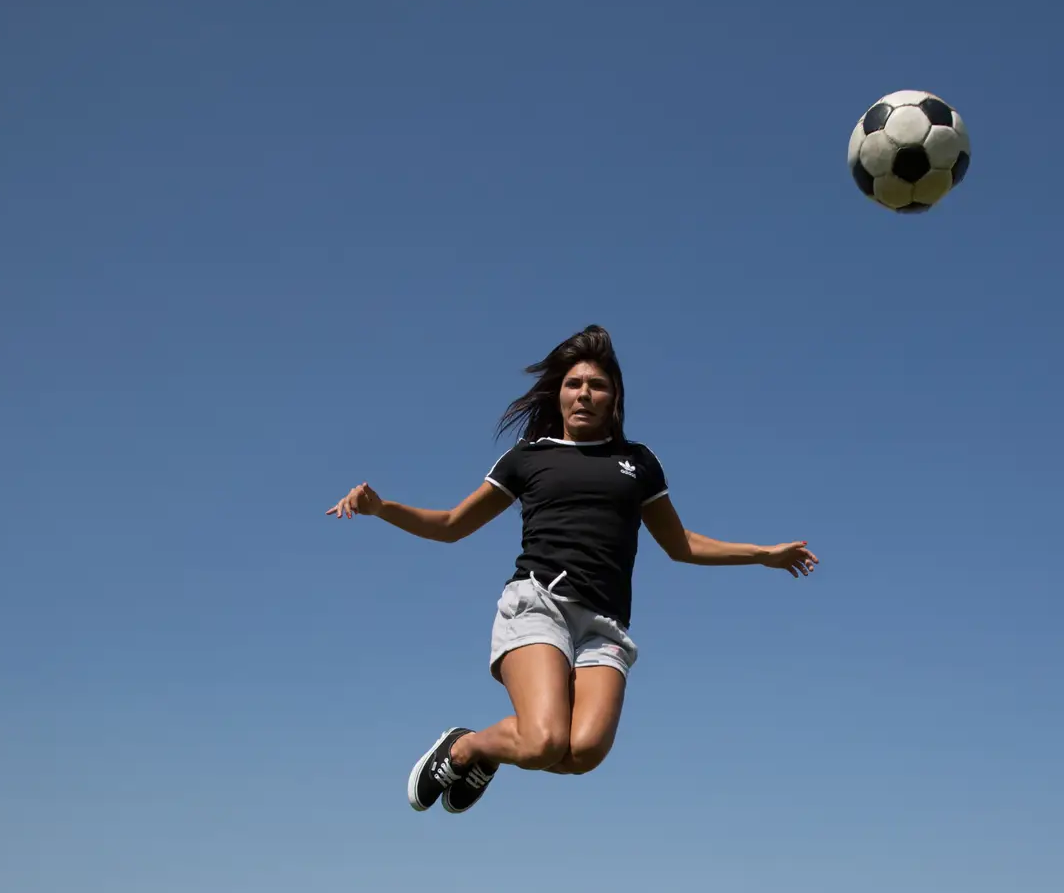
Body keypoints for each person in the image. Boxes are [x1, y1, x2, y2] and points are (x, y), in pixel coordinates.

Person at [327, 325, 818, 813]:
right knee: (542, 742)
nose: (584, 393)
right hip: (540, 603)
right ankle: (464, 749)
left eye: (597, 385)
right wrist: (382, 507)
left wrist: (763, 554)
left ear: (615, 398)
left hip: (604, 625)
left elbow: (682, 544)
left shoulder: (638, 463)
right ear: (560, 394)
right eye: (574, 384)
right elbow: (454, 523)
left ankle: (486, 747)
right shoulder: (528, 457)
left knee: (581, 753)